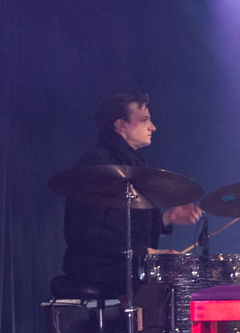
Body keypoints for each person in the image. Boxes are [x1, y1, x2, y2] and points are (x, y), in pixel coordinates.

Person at [57, 93, 203, 299]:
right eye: (144, 120)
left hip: (124, 268)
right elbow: (86, 232)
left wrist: (167, 218)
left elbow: (124, 226)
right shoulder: (99, 165)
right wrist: (146, 253)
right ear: (121, 124)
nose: (153, 127)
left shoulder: (131, 165)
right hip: (99, 270)